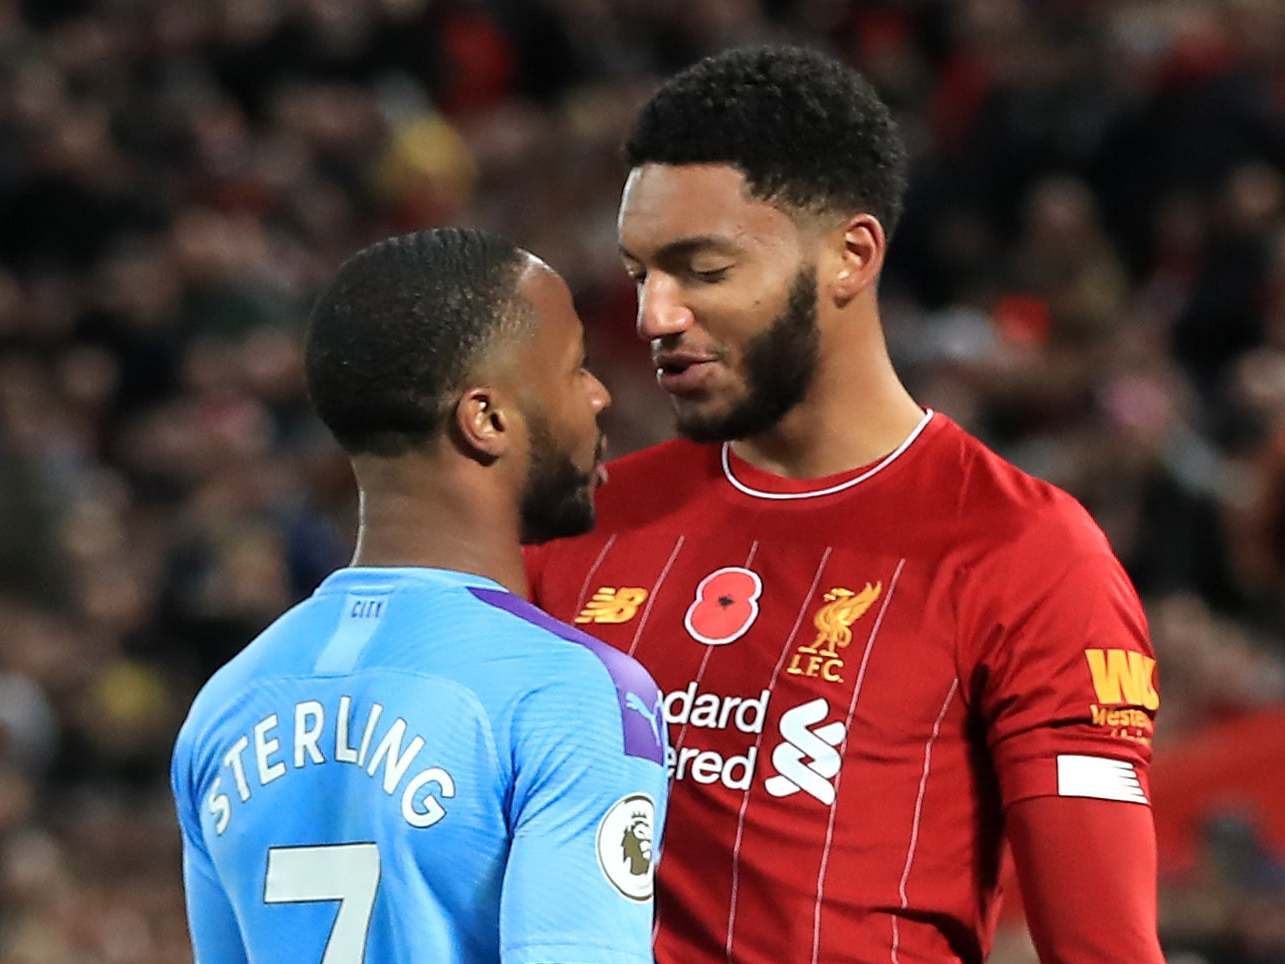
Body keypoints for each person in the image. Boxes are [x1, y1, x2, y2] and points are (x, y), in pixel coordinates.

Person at [525, 47, 1163, 963]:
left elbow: (1100, 947)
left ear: (850, 256)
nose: (654, 316)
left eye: (700, 270)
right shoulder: (586, 520)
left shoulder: (1025, 553)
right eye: (638, 275)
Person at [171, 228, 668, 964]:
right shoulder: (570, 692)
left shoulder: (227, 700)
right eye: (575, 368)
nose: (599, 396)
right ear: (486, 419)